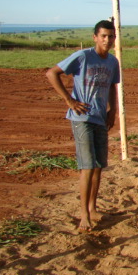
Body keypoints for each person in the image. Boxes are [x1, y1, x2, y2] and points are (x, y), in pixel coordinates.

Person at [46, 19, 120, 232]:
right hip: (82, 118)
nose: (107, 40)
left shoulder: (112, 62)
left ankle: (93, 209)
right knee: (87, 166)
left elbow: (112, 86)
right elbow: (52, 73)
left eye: (111, 36)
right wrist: (69, 100)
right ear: (95, 37)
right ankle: (84, 216)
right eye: (103, 36)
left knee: (98, 166)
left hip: (100, 117)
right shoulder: (83, 56)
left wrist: (112, 110)